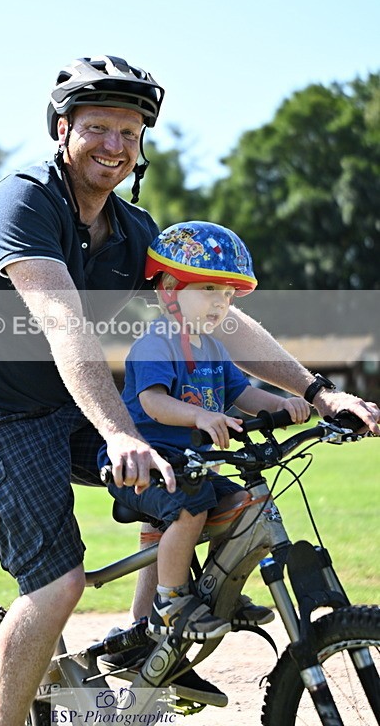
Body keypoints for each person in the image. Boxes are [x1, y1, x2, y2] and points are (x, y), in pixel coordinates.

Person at [0, 54, 380, 726]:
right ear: (62, 130)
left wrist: (318, 390)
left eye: (129, 134)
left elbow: (217, 311)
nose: (114, 146)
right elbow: (61, 322)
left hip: (66, 402)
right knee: (57, 580)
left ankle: (149, 646)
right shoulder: (24, 201)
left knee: (217, 496)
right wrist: (120, 432)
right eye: (97, 128)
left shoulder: (132, 231)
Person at [98, 221, 310, 643]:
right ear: (170, 290)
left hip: (192, 464)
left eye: (228, 295)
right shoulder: (155, 343)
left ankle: (218, 595)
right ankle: (172, 601)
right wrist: (198, 417)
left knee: (242, 505)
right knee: (191, 508)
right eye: (209, 290)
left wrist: (284, 405)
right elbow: (152, 402)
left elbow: (244, 394)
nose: (221, 304)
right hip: (147, 461)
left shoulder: (213, 347)